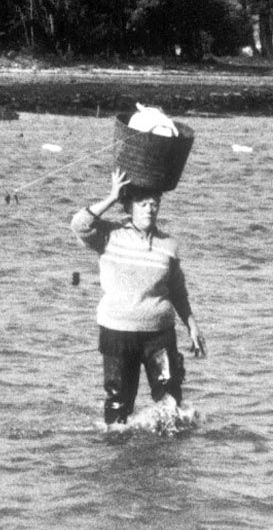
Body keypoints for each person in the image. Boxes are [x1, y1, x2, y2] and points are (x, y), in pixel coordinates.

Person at [72, 169, 206, 427]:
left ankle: (168, 460)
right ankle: (120, 457)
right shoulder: (109, 236)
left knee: (172, 403)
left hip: (159, 333)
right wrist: (112, 196)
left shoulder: (169, 245)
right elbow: (79, 224)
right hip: (117, 331)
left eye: (155, 204)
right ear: (129, 206)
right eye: (143, 204)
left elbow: (178, 290)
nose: (149, 209)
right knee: (118, 405)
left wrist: (192, 324)